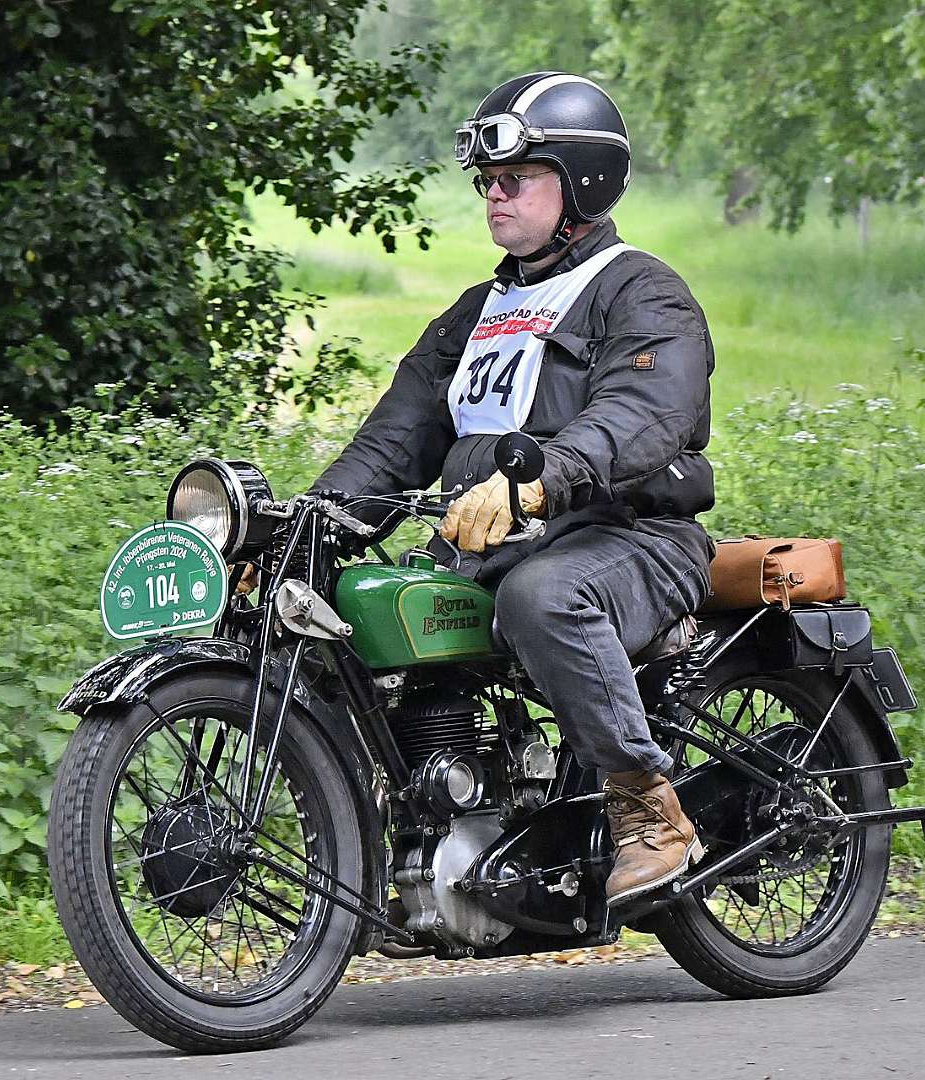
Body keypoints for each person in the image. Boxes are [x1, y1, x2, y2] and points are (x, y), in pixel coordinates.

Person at [312, 72, 717, 903]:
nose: (495, 195)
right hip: (486, 544)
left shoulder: (640, 290)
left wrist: (535, 485)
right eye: (488, 181)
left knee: (543, 598)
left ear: (582, 184)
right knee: (357, 610)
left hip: (629, 540)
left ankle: (649, 809)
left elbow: (643, 413)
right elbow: (394, 442)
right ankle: (403, 825)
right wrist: (306, 522)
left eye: (517, 178)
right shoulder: (477, 311)